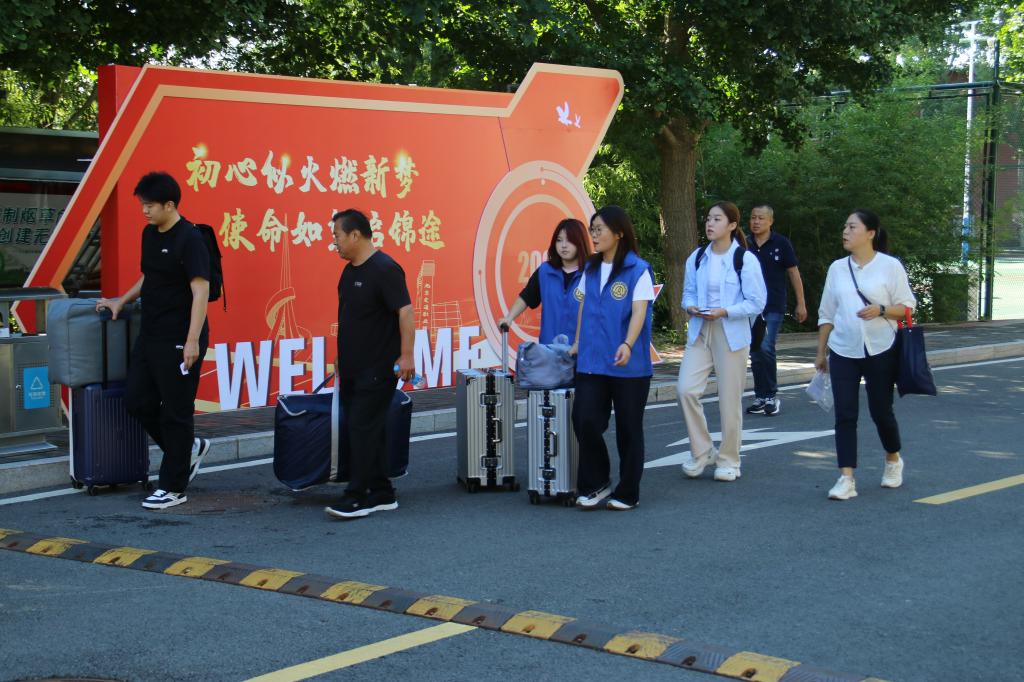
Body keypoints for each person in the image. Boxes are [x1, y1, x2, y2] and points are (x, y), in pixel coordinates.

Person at [97, 171, 212, 510]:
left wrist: (192, 341)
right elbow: (150, 276)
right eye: (143, 205)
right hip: (151, 333)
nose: (144, 211)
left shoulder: (190, 239)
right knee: (137, 400)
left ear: (170, 205)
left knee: (176, 412)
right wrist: (121, 301)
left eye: (150, 205)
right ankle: (188, 451)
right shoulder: (149, 234)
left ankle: (174, 487)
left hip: (180, 336)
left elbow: (200, 290)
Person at [815, 209, 916, 501]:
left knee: (881, 411)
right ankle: (846, 478)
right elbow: (826, 313)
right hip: (843, 349)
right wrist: (821, 352)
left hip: (881, 348)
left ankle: (893, 459)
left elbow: (907, 308)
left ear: (870, 233)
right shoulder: (837, 268)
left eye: (852, 227)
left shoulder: (890, 266)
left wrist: (881, 310)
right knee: (845, 414)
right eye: (845, 227)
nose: (845, 232)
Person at [325, 209, 415, 519]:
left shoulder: (385, 269)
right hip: (352, 367)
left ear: (355, 235)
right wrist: (342, 354)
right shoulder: (348, 272)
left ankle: (356, 496)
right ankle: (381, 492)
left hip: (377, 368)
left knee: (362, 429)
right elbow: (351, 317)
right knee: (367, 429)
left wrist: (407, 355)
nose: (334, 242)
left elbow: (405, 312)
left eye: (337, 236)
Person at [570, 206, 655, 511]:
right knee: (584, 420)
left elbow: (639, 311)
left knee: (629, 429)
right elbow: (583, 307)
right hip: (592, 361)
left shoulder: (638, 269)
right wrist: (577, 342)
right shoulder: (590, 268)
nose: (594, 235)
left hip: (628, 365)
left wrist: (628, 344)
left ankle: (628, 492)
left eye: (599, 230)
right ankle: (596, 482)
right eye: (592, 230)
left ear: (618, 233)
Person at [678, 201, 767, 483]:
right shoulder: (697, 257)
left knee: (730, 400)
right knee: (685, 390)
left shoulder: (745, 259)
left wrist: (725, 311)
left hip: (731, 333)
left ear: (732, 225)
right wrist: (691, 307)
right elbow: (687, 294)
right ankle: (702, 451)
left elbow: (757, 302)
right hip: (701, 329)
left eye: (717, 219)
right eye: (708, 219)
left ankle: (729, 460)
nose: (710, 223)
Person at [745, 204, 807, 416]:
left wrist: (801, 303)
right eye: (753, 217)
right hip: (750, 306)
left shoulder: (781, 243)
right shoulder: (744, 243)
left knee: (766, 347)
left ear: (770, 221)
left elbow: (794, 273)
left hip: (773, 304)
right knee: (755, 352)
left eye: (761, 218)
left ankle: (771, 395)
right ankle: (760, 396)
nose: (756, 221)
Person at [498, 218, 591, 343]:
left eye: (569, 240)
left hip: (581, 349)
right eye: (559, 240)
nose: (563, 245)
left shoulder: (592, 273)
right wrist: (509, 318)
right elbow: (527, 296)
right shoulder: (545, 271)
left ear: (580, 242)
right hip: (549, 349)